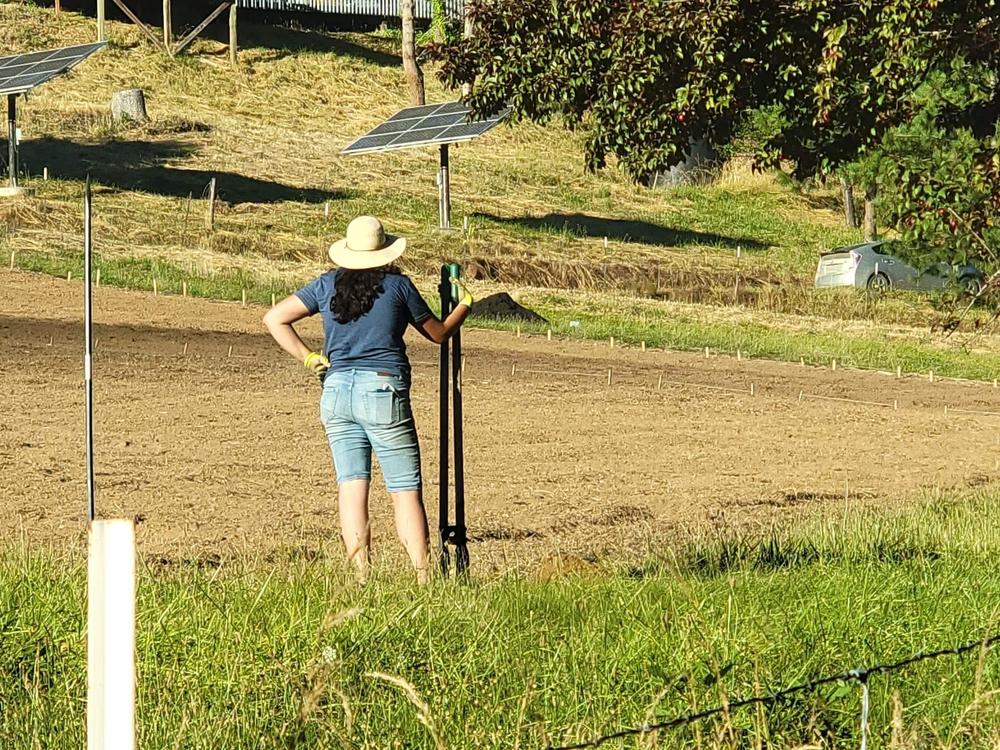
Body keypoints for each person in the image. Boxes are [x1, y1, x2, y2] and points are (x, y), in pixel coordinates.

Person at [264, 216, 472, 584]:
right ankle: (423, 579)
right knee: (404, 489)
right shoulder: (397, 286)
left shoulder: (326, 285)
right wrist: (463, 308)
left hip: (336, 391)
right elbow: (437, 334)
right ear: (384, 251)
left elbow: (275, 318)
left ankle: (361, 576)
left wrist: (311, 358)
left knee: (351, 486)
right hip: (382, 389)